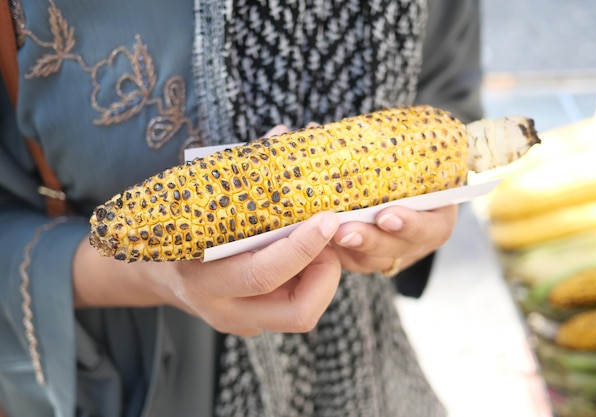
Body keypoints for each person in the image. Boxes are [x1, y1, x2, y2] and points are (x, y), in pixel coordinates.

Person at [0, 0, 483, 415]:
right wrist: (152, 275)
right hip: (145, 377)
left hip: (370, 369)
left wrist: (412, 232)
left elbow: (444, 92)